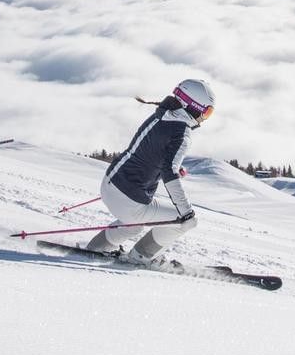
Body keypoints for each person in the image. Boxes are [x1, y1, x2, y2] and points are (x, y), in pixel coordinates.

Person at [85, 78, 215, 264]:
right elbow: (169, 173)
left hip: (110, 184)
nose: (205, 117)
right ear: (193, 106)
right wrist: (186, 211)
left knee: (133, 226)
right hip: (129, 201)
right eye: (207, 112)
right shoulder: (182, 132)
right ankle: (141, 256)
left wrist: (171, 168)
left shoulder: (162, 114)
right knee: (186, 221)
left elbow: (151, 150)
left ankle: (96, 248)